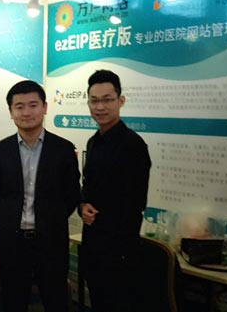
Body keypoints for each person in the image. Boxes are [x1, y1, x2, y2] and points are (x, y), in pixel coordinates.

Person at [0, 80, 80, 312]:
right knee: (13, 301)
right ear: (11, 111)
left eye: (33, 105)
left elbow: (71, 194)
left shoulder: (63, 149)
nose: (26, 112)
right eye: (19, 106)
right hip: (12, 242)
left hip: (51, 239)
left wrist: (51, 218)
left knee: (55, 300)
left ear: (45, 107)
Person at [79, 69, 151, 312]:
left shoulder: (133, 145)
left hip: (119, 251)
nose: (100, 107)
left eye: (107, 100)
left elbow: (136, 203)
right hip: (93, 244)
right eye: (94, 100)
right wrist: (82, 205)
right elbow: (89, 188)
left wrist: (120, 252)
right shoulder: (93, 142)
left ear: (121, 100)